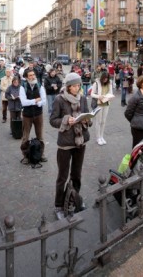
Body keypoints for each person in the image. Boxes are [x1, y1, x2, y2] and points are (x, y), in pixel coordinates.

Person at [49, 72, 91, 220]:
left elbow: (88, 116)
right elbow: (53, 120)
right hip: (66, 143)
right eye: (74, 86)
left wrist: (86, 120)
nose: (77, 88)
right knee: (62, 176)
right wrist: (66, 120)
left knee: (76, 174)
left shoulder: (83, 98)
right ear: (68, 87)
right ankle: (59, 205)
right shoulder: (59, 100)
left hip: (81, 141)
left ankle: (74, 199)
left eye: (79, 85)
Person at [19, 68, 48, 162]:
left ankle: (41, 154)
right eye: (30, 75)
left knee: (40, 136)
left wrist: (34, 102)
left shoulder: (40, 86)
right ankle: (26, 155)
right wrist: (35, 100)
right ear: (26, 78)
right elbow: (23, 102)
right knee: (25, 137)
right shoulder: (23, 87)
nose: (32, 77)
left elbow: (44, 101)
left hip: (38, 114)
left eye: (33, 75)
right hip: (27, 115)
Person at [124, 75, 143, 148]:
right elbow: (127, 113)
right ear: (140, 84)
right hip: (138, 127)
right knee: (138, 147)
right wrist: (135, 120)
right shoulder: (135, 97)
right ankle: (135, 159)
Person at [90, 71, 113, 145]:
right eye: (104, 79)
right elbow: (92, 94)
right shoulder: (96, 83)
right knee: (98, 121)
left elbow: (111, 92)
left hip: (106, 103)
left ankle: (102, 136)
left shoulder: (109, 83)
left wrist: (109, 96)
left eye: (107, 79)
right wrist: (98, 96)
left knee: (103, 121)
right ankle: (98, 138)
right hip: (99, 104)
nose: (105, 80)